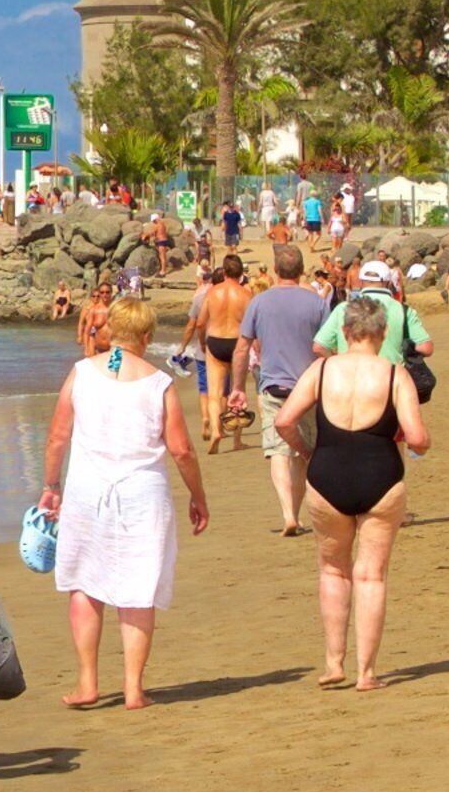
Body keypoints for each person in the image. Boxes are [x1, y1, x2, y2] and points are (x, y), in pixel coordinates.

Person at [35, 297, 208, 709]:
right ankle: (133, 688)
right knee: (137, 586)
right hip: (141, 493)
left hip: (87, 490)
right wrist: (198, 496)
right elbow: (182, 450)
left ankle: (88, 683)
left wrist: (50, 485)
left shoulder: (81, 373)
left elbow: (58, 436)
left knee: (84, 583)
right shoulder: (158, 383)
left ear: (108, 331)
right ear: (147, 337)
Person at [275, 295, 430, 690]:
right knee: (371, 575)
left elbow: (283, 420)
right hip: (380, 477)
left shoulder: (322, 369)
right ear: (382, 333)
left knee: (332, 570)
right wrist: (414, 442)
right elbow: (417, 438)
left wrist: (307, 451)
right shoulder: (395, 375)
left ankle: (334, 664)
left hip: (328, 476)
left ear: (345, 331)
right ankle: (367, 673)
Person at [234, 243, 328, 535]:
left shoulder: (259, 302)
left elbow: (241, 348)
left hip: (273, 386)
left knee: (277, 451)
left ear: (275, 270)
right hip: (308, 389)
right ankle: (296, 516)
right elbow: (327, 347)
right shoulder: (317, 303)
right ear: (301, 271)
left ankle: (287, 513)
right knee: (302, 453)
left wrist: (237, 387)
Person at [190, 257, 253, 452]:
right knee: (238, 391)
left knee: (214, 394)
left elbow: (200, 323)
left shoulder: (212, 292)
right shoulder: (246, 294)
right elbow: (252, 326)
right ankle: (236, 440)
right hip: (237, 344)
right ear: (241, 273)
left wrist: (202, 342)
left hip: (216, 342)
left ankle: (217, 430)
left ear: (224, 272)